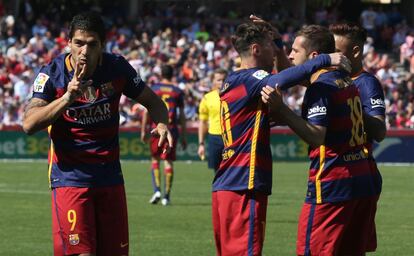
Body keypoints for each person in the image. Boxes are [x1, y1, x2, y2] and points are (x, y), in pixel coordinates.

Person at [22, 12, 172, 256]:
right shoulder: (52, 73)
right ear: (68, 42)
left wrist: (163, 123)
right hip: (71, 178)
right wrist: (68, 97)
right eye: (78, 43)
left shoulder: (117, 68)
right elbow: (29, 124)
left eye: (92, 44)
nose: (84, 51)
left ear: (102, 45)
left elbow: (155, 103)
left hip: (110, 176)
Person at [213, 21, 350, 256]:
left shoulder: (237, 81)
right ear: (256, 49)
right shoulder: (252, 78)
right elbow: (282, 79)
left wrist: (275, 39)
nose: (279, 53)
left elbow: (288, 76)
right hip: (244, 181)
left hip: (227, 183)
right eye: (271, 47)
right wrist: (326, 59)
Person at [261, 25, 380, 256]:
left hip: (333, 180)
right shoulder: (343, 80)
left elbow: (316, 137)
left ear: (315, 57)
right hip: (359, 178)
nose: (291, 55)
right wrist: (277, 47)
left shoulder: (320, 88)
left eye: (295, 50)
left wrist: (282, 111)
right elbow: (294, 73)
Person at [141, 64, 186, 206]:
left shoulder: (154, 89)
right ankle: (166, 196)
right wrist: (184, 134)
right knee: (168, 161)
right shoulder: (178, 91)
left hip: (156, 128)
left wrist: (143, 130)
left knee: (155, 159)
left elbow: (146, 111)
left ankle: (156, 191)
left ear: (161, 74)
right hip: (171, 129)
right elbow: (182, 115)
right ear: (172, 74)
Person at [197, 68, 227, 173]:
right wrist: (201, 143)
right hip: (214, 137)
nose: (222, 82)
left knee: (232, 170)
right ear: (213, 81)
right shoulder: (207, 98)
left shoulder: (234, 96)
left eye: (224, 79)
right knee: (217, 171)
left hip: (231, 137)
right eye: (219, 80)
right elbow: (203, 122)